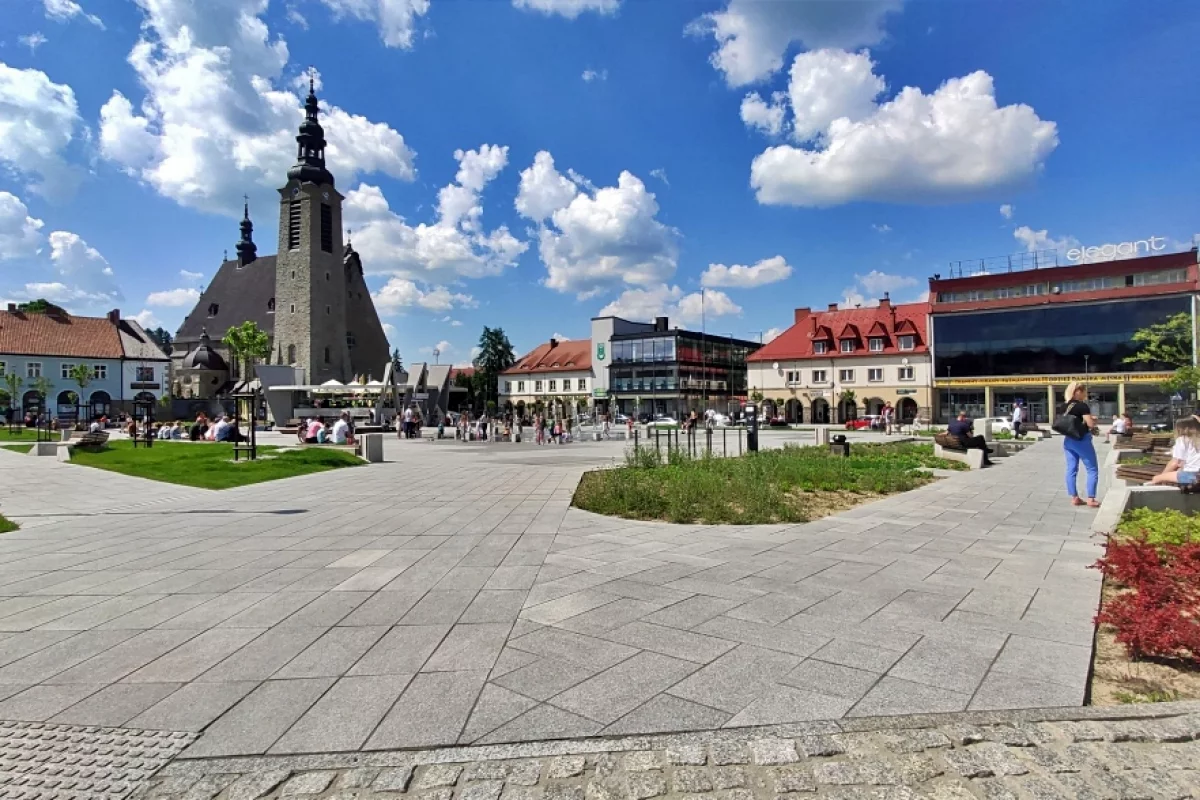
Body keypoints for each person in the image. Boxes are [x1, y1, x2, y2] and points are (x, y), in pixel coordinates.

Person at [1060, 381, 1099, 507]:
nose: (1085, 395)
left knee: (1071, 469)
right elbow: (1090, 424)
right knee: (1092, 469)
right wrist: (1093, 421)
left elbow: (1072, 421)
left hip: (1068, 440)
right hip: (1081, 440)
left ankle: (1074, 497)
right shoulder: (1082, 406)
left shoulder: (1064, 406)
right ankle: (1091, 499)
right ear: (1078, 392)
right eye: (1084, 392)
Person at [1150, 415, 1200, 487]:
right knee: (1179, 470)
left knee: (1156, 478)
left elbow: (1175, 463)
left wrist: (1163, 476)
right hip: (1195, 474)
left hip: (1192, 476)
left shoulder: (1183, 440)